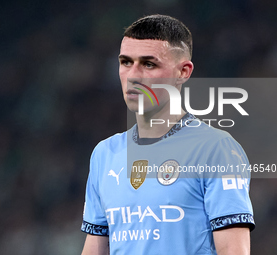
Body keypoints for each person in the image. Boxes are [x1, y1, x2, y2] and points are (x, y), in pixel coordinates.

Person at [81, 14, 254, 255]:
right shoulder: (105, 153)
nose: (133, 75)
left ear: (183, 71)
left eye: (149, 64)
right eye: (126, 62)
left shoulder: (216, 150)